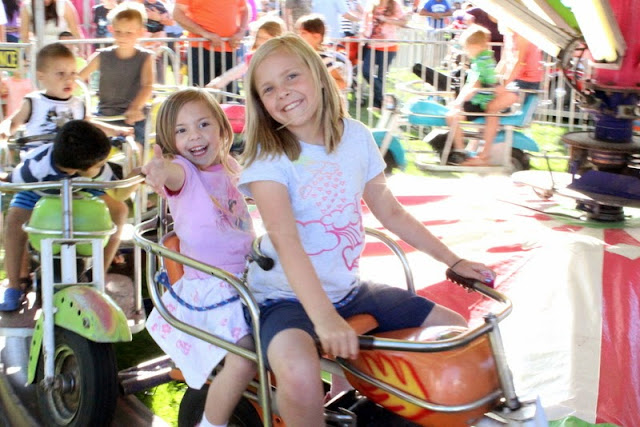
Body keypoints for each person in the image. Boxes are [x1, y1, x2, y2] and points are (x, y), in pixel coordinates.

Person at [239, 34, 496, 426]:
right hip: (284, 297)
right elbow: (286, 241)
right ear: (260, 103)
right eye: (269, 88)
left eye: (292, 76)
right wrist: (324, 318)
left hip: (349, 289)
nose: (283, 92)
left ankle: (380, 411)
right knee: (299, 372)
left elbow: (389, 209)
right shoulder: (268, 158)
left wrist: (453, 260)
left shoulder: (355, 136)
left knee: (451, 333)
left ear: (318, 75)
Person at [142, 88, 256, 427]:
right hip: (212, 286)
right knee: (244, 357)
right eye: (182, 130)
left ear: (221, 127)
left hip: (248, 276)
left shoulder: (229, 165)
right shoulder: (184, 171)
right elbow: (171, 175)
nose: (194, 136)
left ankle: (336, 390)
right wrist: (160, 170)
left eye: (203, 124)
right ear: (170, 141)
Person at [0, 120, 135, 311]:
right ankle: (14, 286)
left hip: (83, 186)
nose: (104, 166)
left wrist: (135, 177)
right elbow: (12, 183)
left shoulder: (95, 169)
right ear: (77, 169)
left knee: (120, 210)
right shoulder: (35, 167)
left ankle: (99, 272)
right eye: (100, 164)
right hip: (38, 189)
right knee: (14, 220)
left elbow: (118, 192)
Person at [0, 43, 132, 145]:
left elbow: (90, 125)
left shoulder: (78, 104)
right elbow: (13, 122)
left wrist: (116, 131)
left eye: (73, 73)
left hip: (71, 159)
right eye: (61, 74)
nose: (68, 79)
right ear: (41, 76)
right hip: (40, 157)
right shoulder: (34, 102)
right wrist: (4, 129)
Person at [79, 1, 154, 145]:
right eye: (118, 32)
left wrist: (135, 107)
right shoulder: (102, 56)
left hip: (133, 116)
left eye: (129, 33)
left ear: (140, 32)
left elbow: (148, 85)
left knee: (134, 145)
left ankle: (137, 158)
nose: (123, 37)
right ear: (111, 29)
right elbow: (78, 78)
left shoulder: (145, 57)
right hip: (104, 114)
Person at [445, 24, 498, 165]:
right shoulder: (484, 60)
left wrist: (458, 103)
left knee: (452, 117)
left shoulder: (481, 63)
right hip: (480, 99)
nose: (466, 51)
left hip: (479, 102)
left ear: (476, 46)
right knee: (452, 114)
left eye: (467, 48)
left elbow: (474, 86)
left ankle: (460, 151)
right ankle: (461, 149)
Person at [172, 0, 248, 88]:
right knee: (200, 92)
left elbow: (245, 10)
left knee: (229, 93)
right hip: (200, 50)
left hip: (229, 49)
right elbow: (177, 14)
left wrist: (241, 32)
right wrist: (205, 33)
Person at [205, 16, 284, 90]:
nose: (262, 42)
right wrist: (218, 82)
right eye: (259, 38)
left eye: (266, 39)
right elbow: (238, 71)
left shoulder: (283, 56)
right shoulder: (255, 56)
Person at [360, 0, 408, 110]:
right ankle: (383, 98)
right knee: (366, 71)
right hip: (371, 44)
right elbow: (365, 23)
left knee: (381, 75)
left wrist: (386, 19)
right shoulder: (371, 4)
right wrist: (362, 35)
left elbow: (403, 22)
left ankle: (377, 104)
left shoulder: (395, 4)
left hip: (388, 45)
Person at [295, 14, 350, 91]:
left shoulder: (322, 58)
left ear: (317, 37)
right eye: (298, 33)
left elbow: (341, 83)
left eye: (303, 33)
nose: (299, 36)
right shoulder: (297, 56)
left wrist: (318, 84)